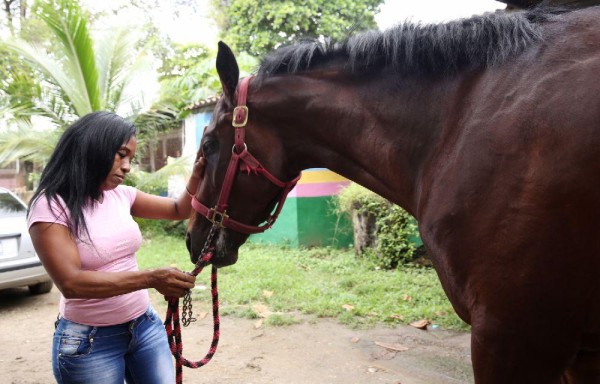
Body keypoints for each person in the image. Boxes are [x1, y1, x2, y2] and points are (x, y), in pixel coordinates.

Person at [27, 111, 205, 384]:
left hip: (144, 327)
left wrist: (198, 173)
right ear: (92, 146)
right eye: (121, 154)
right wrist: (151, 278)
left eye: (131, 158)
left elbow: (178, 209)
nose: (127, 166)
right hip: (89, 342)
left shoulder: (121, 195)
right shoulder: (50, 206)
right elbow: (72, 283)